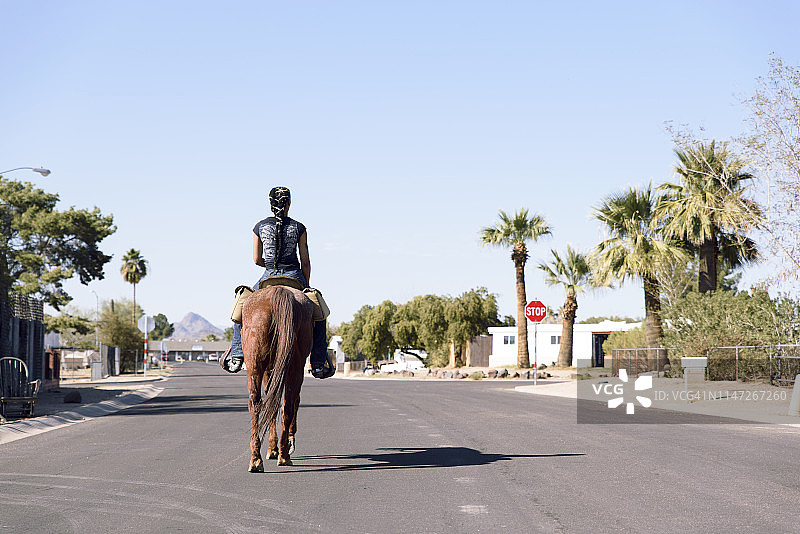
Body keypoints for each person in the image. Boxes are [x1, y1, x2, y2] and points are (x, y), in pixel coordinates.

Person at [220, 186, 334, 378]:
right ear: (289, 203)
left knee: (241, 305)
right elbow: (305, 261)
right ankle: (317, 362)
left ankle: (237, 354)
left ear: (271, 203)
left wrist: (271, 265)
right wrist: (305, 285)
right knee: (320, 313)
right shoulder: (299, 228)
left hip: (268, 276)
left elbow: (256, 259)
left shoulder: (259, 227)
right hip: (294, 275)